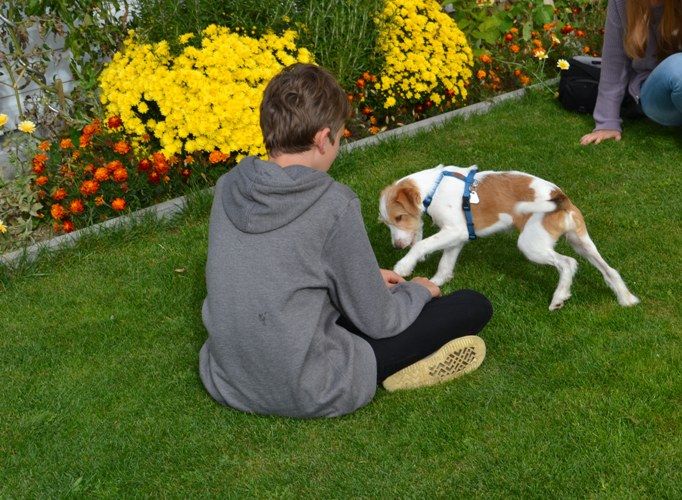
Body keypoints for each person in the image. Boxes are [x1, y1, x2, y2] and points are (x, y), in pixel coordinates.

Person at [198, 63, 493, 418]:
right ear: (324, 138)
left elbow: (273, 268)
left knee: (357, 298)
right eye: (339, 137)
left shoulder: (229, 186)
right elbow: (380, 321)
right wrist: (417, 291)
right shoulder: (333, 203)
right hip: (309, 386)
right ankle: (405, 366)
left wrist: (366, 277)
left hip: (229, 376)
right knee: (472, 306)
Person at [580, 0, 682, 145]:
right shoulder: (621, 3)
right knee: (677, 67)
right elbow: (614, 61)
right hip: (656, 97)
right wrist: (607, 122)